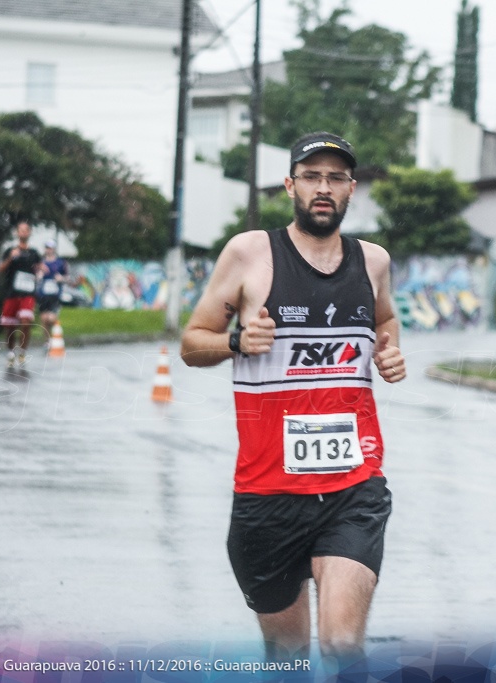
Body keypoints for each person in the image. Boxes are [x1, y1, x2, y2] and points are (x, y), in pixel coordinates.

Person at [181, 132, 407, 662]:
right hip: (267, 494)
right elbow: (193, 344)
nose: (323, 188)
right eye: (311, 176)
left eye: (335, 178)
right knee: (287, 653)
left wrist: (389, 352)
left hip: (353, 488)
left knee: (341, 643)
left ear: (351, 189)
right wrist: (236, 341)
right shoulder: (248, 253)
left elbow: (386, 318)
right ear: (290, 185)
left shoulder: (373, 261)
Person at [0, 222, 41, 368]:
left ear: (29, 233)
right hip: (12, 293)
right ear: (17, 233)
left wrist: (41, 272)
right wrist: (10, 258)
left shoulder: (34, 253)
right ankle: (10, 353)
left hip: (28, 293)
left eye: (25, 230)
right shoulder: (10, 250)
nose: (23, 233)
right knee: (9, 325)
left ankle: (22, 352)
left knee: (26, 321)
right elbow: (0, 269)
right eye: (20, 230)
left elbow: (41, 268)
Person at [37, 239, 68, 348]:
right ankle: (47, 341)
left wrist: (61, 278)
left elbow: (67, 277)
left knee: (51, 317)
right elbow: (35, 276)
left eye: (50, 247)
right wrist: (38, 276)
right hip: (42, 294)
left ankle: (57, 335)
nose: (48, 250)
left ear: (54, 249)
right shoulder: (41, 263)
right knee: (44, 318)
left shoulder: (60, 263)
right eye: (46, 247)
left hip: (55, 294)